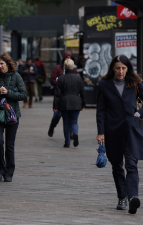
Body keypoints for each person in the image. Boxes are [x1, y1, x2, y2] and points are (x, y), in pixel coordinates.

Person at [96, 55, 143, 214]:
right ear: (113, 69)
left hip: (131, 130)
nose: (121, 71)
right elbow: (101, 110)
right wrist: (100, 132)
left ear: (128, 68)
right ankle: (122, 196)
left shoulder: (135, 83)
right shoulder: (104, 84)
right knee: (117, 165)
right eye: (118, 68)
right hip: (112, 131)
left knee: (131, 165)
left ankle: (133, 198)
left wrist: (139, 114)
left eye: (123, 68)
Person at [0, 52, 27, 182]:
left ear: (8, 64)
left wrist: (8, 93)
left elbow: (23, 94)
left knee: (9, 145)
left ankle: (9, 172)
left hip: (12, 115)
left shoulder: (16, 76)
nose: (0, 66)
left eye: (2, 63)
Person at [53, 59, 85, 147]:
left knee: (66, 122)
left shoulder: (61, 78)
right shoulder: (78, 78)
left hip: (64, 102)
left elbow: (57, 94)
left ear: (65, 67)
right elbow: (82, 92)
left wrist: (55, 105)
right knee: (74, 121)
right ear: (73, 67)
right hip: (76, 101)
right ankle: (75, 133)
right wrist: (83, 103)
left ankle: (67, 142)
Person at [48, 52, 77, 137]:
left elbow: (76, 81)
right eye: (66, 57)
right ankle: (52, 127)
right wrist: (60, 85)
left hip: (70, 95)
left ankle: (71, 133)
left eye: (70, 57)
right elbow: (52, 79)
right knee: (57, 114)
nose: (68, 59)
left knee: (70, 115)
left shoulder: (74, 69)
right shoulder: (58, 68)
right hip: (60, 94)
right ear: (63, 59)